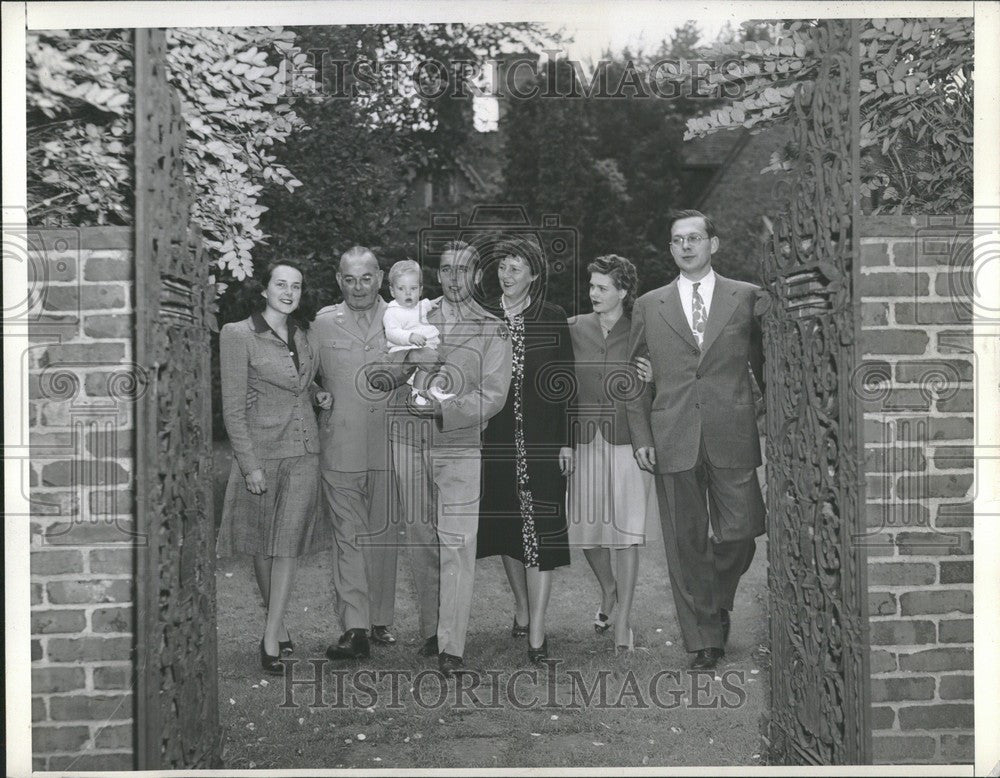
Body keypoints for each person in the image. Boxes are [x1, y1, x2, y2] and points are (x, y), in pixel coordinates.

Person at [626, 209, 766, 671]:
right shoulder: (650, 304)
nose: (686, 246)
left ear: (713, 244)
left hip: (732, 431)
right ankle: (706, 637)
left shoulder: (747, 298)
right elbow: (634, 379)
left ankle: (716, 599)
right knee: (685, 543)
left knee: (741, 532)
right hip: (673, 434)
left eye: (695, 238)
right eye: (677, 240)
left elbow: (770, 364)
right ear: (670, 249)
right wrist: (642, 434)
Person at [370, 240, 512, 677]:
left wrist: (444, 409)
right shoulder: (412, 313)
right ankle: (432, 629)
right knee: (419, 536)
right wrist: (403, 362)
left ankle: (452, 647)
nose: (453, 278)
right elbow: (384, 366)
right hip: (408, 440)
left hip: (460, 442)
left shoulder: (493, 328)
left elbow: (494, 394)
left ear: (476, 276)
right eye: (446, 270)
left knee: (457, 543)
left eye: (462, 270)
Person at [217, 260, 332, 674]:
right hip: (262, 452)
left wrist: (318, 393)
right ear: (264, 290)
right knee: (261, 546)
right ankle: (277, 624)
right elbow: (232, 408)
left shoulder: (303, 334)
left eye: (296, 286)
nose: (288, 292)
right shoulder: (237, 335)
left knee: (287, 545)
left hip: (303, 451)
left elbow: (299, 380)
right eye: (280, 284)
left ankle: (269, 639)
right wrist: (250, 466)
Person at [476, 236, 574, 665]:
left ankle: (537, 632)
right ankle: (520, 606)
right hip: (495, 440)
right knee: (508, 532)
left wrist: (567, 442)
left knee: (542, 535)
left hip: (542, 441)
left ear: (534, 274)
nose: (507, 275)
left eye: (517, 268)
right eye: (503, 267)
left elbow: (566, 385)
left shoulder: (552, 318)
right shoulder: (484, 316)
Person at [310, 246, 401, 661]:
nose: (358, 286)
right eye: (350, 278)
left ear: (380, 278)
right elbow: (302, 376)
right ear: (339, 280)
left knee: (381, 537)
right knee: (348, 539)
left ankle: (379, 618)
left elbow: (425, 363)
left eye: (366, 278)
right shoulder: (323, 324)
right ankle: (356, 628)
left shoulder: (403, 318)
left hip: (390, 446)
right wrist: (317, 392)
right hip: (340, 447)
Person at [566, 255, 657, 654]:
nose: (594, 294)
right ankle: (609, 589)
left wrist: (656, 375)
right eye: (592, 287)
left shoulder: (642, 330)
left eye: (602, 287)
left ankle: (623, 622)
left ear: (622, 291)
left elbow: (665, 376)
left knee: (626, 535)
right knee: (586, 533)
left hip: (627, 441)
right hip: (584, 439)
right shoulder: (573, 328)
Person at [381, 259, 450, 406]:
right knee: (423, 370)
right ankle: (417, 394)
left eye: (413, 289)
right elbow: (392, 333)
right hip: (405, 351)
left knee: (441, 368)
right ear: (392, 291)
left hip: (424, 348)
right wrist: (410, 337)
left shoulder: (417, 305)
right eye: (401, 289)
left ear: (420, 289)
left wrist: (432, 303)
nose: (408, 293)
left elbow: (424, 305)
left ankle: (435, 391)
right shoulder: (392, 311)